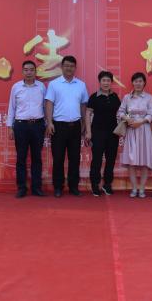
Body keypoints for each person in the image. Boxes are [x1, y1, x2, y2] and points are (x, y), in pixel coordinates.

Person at [45, 55, 89, 198]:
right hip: (58, 126)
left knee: (74, 158)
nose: (69, 68)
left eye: (71, 66)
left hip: (75, 126)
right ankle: (58, 187)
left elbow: (83, 105)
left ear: (75, 68)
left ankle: (73, 186)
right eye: (66, 66)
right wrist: (49, 122)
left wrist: (84, 123)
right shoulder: (54, 84)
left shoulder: (81, 85)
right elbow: (49, 103)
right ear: (61, 67)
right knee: (58, 158)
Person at [6, 60, 47, 198]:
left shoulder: (41, 87)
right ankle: (21, 188)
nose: (29, 72)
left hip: (38, 125)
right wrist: (10, 127)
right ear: (22, 71)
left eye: (31, 70)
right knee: (21, 158)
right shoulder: (16, 87)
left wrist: (47, 124)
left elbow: (45, 107)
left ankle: (36, 188)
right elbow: (12, 107)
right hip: (21, 125)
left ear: (35, 72)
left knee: (37, 158)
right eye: (26, 70)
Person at [117, 72, 152, 198]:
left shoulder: (149, 97)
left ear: (144, 83)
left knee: (144, 161)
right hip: (131, 130)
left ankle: (142, 188)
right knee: (131, 161)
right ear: (132, 83)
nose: (138, 83)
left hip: (144, 130)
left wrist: (141, 122)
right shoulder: (127, 97)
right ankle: (134, 188)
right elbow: (120, 112)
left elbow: (151, 114)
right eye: (136, 81)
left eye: (140, 81)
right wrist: (127, 119)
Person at [85, 71, 121, 196]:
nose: (106, 83)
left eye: (108, 80)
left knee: (111, 159)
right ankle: (95, 185)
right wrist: (88, 132)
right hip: (97, 132)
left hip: (113, 133)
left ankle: (107, 184)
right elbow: (88, 114)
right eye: (103, 80)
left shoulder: (115, 97)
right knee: (97, 159)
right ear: (99, 82)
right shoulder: (94, 97)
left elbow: (121, 113)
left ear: (111, 82)